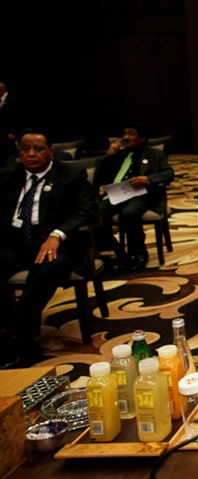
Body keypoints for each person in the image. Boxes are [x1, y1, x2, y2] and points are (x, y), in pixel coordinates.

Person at [0, 129, 98, 367]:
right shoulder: (7, 175)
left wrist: (57, 234)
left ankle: (16, 337)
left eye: (38, 149)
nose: (31, 154)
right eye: (25, 149)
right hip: (15, 241)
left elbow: (87, 210)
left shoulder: (70, 175)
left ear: (51, 151)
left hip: (58, 242)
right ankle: (7, 327)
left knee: (45, 271)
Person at [93, 122, 174, 270]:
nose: (125, 137)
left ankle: (139, 252)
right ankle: (119, 253)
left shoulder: (154, 154)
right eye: (124, 134)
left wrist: (148, 179)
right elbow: (100, 179)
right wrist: (109, 157)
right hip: (116, 194)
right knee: (95, 214)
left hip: (142, 195)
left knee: (129, 214)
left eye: (131, 133)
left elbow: (169, 173)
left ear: (142, 138)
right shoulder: (118, 155)